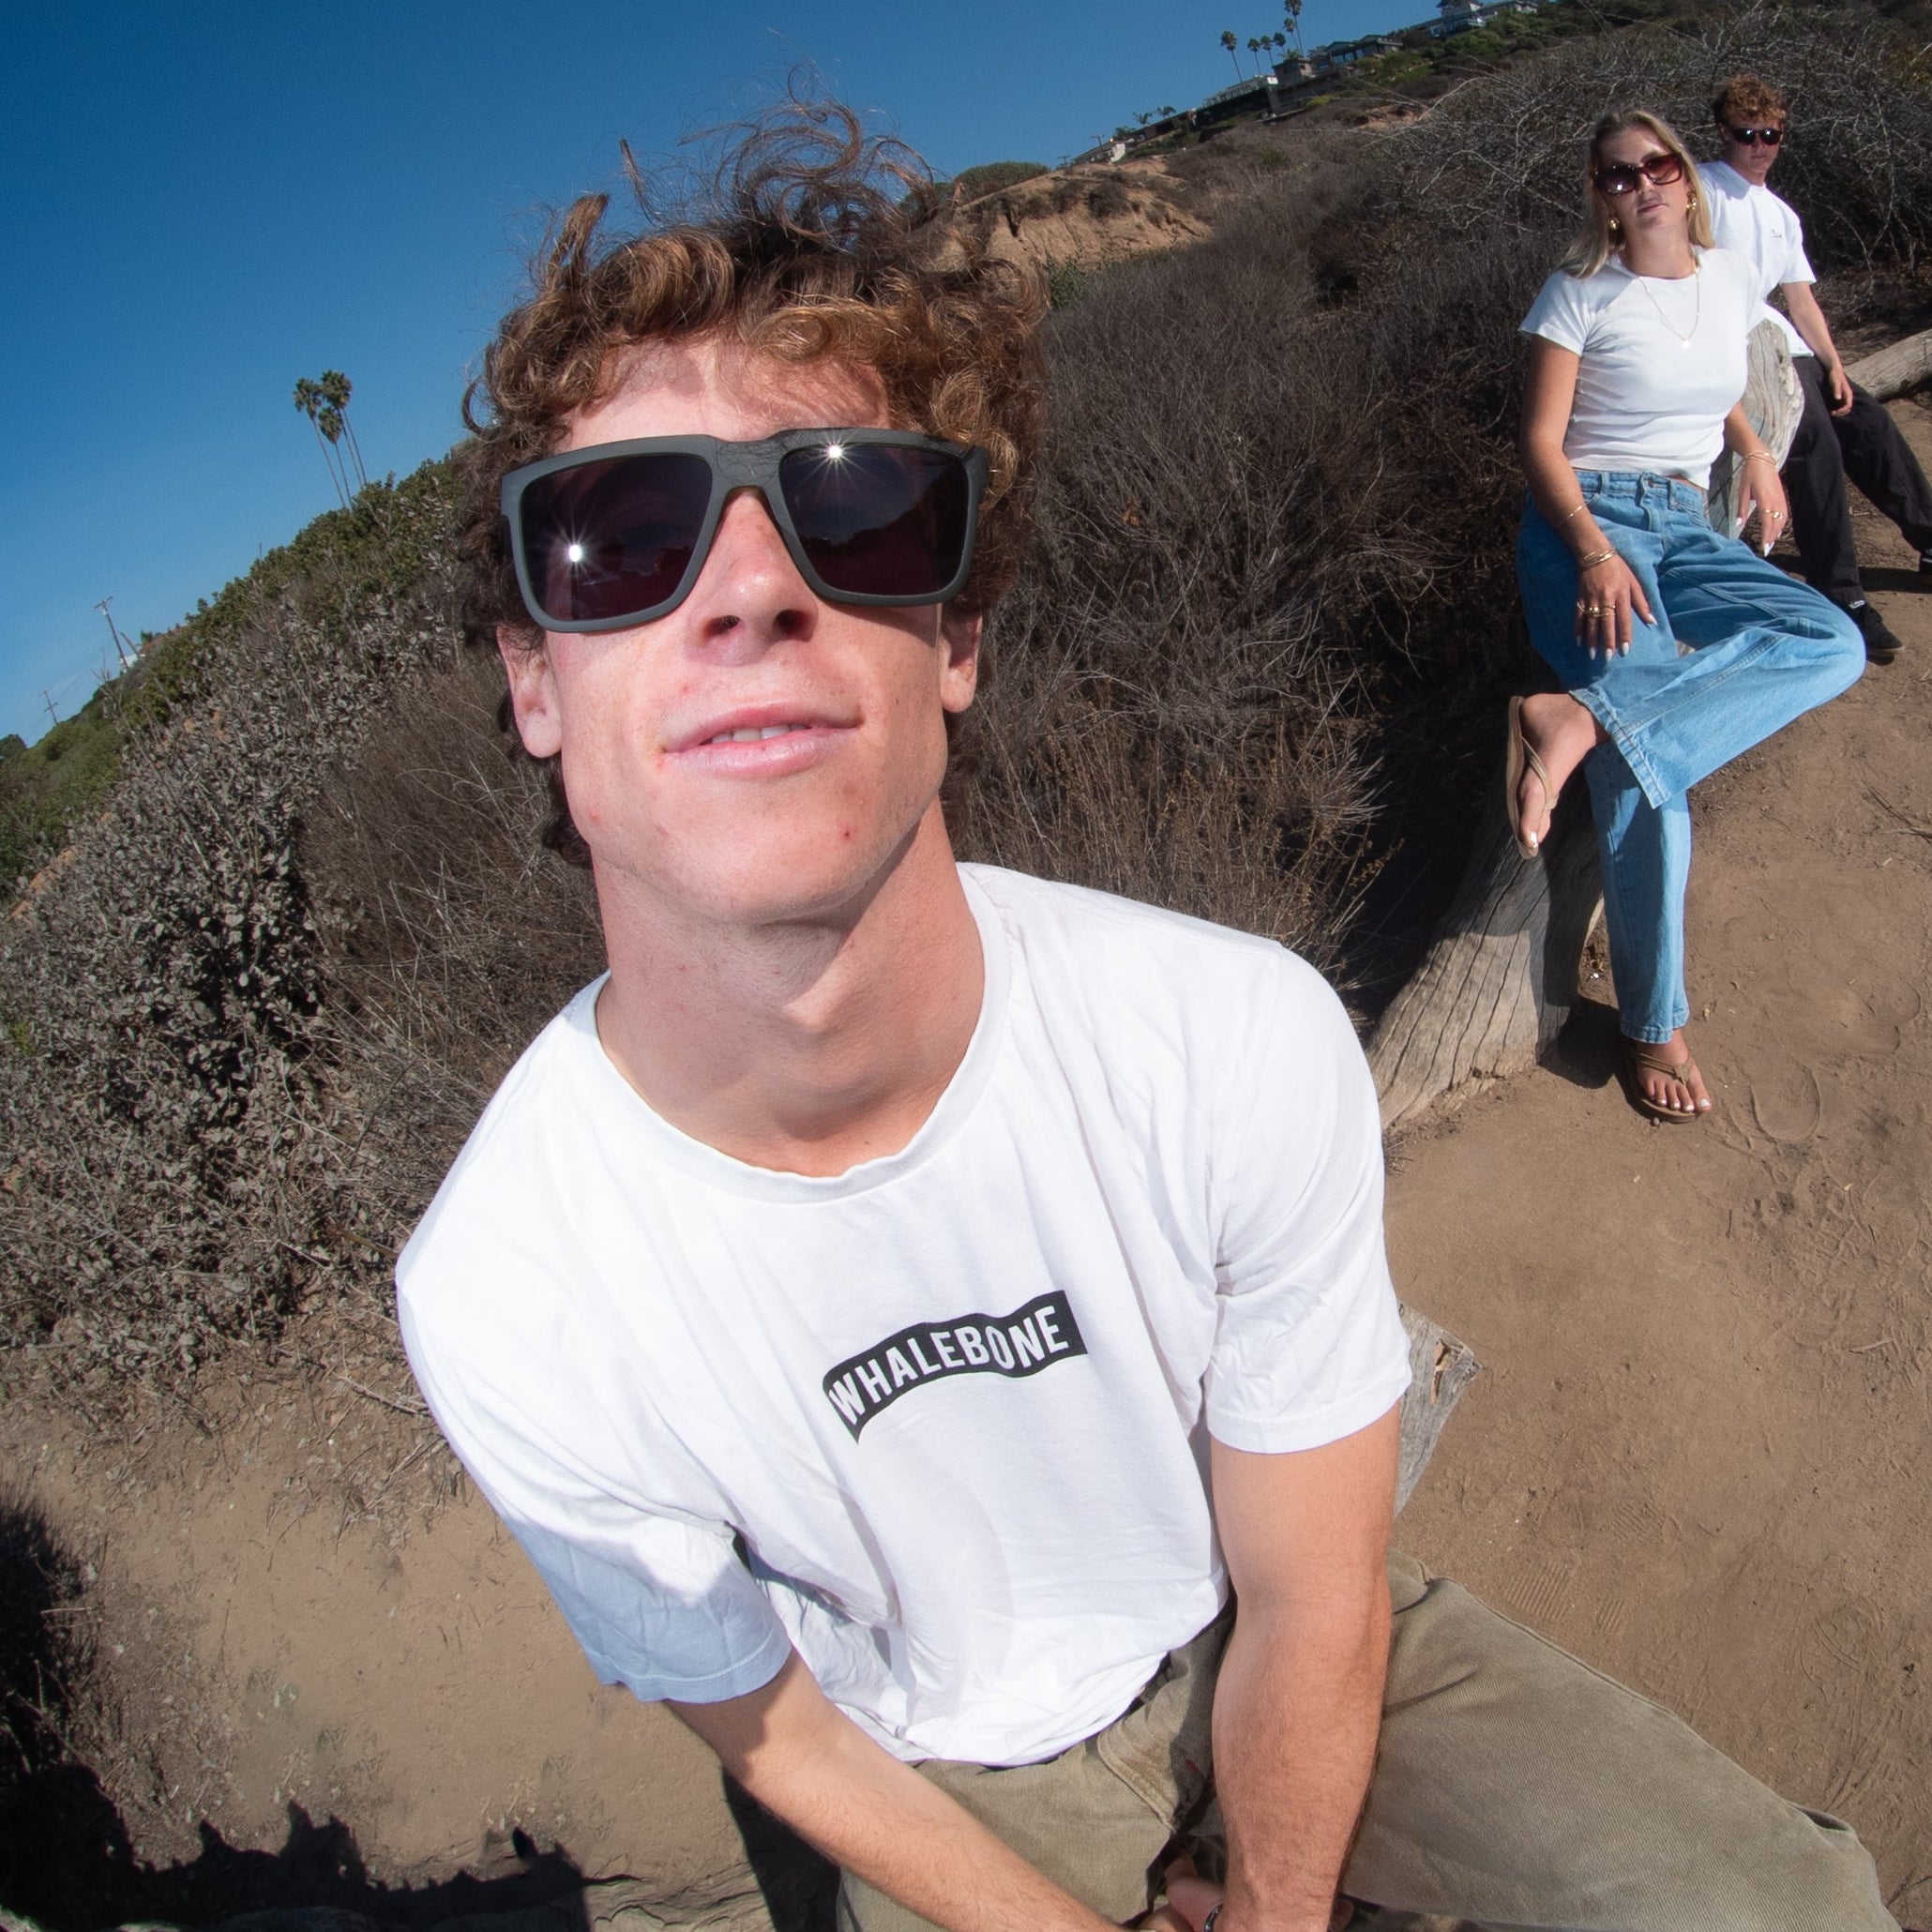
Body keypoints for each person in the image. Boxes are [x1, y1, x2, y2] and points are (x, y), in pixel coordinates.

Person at [400, 105, 1901, 1932]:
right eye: (620, 533)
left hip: (1264, 1607)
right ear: (529, 677)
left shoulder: (1223, 1036)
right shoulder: (511, 1283)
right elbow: (782, 1734)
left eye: (857, 505)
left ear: (957, 639)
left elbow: (1308, 1571)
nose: (749, 587)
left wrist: (1266, 1896)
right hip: (926, 1759)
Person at [1511, 109, 1864, 1123]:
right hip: (1585, 517)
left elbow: (1714, 387)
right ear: (1599, 195)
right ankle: (1652, 1022)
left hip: (1685, 518)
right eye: (1616, 176)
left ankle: (1574, 718)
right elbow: (1538, 444)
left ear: (1684, 175)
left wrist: (1752, 447)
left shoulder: (1723, 279)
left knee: (1828, 641)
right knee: (1646, 784)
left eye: (1656, 164)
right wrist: (1588, 550)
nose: (1642, 184)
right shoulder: (1575, 291)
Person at [1698, 72, 1932, 666]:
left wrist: (1835, 365)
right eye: (1746, 133)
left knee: (1869, 423)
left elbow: (1798, 297)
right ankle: (1842, 593)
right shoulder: (1702, 188)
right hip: (1738, 343)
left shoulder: (1780, 213)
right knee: (1815, 442)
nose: (1759, 145)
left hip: (1785, 343)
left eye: (1770, 134)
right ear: (1723, 133)